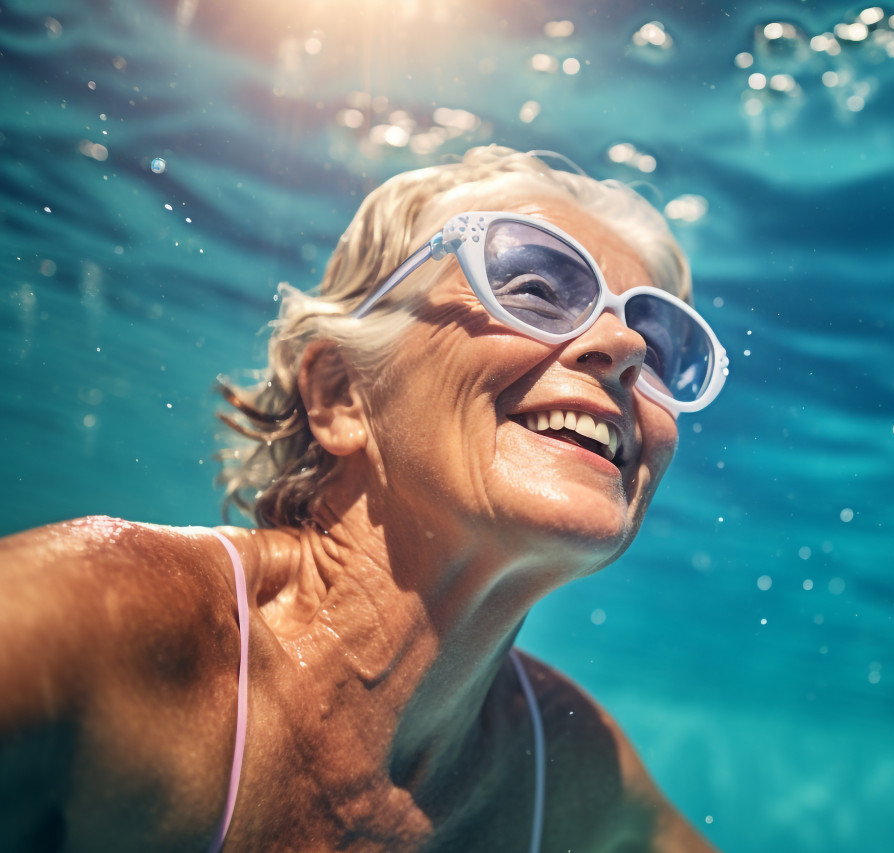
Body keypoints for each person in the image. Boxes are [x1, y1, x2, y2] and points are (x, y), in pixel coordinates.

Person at [0, 146, 728, 852]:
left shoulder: (569, 768)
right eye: (536, 290)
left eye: (658, 348)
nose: (625, 347)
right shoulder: (88, 634)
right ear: (341, 394)